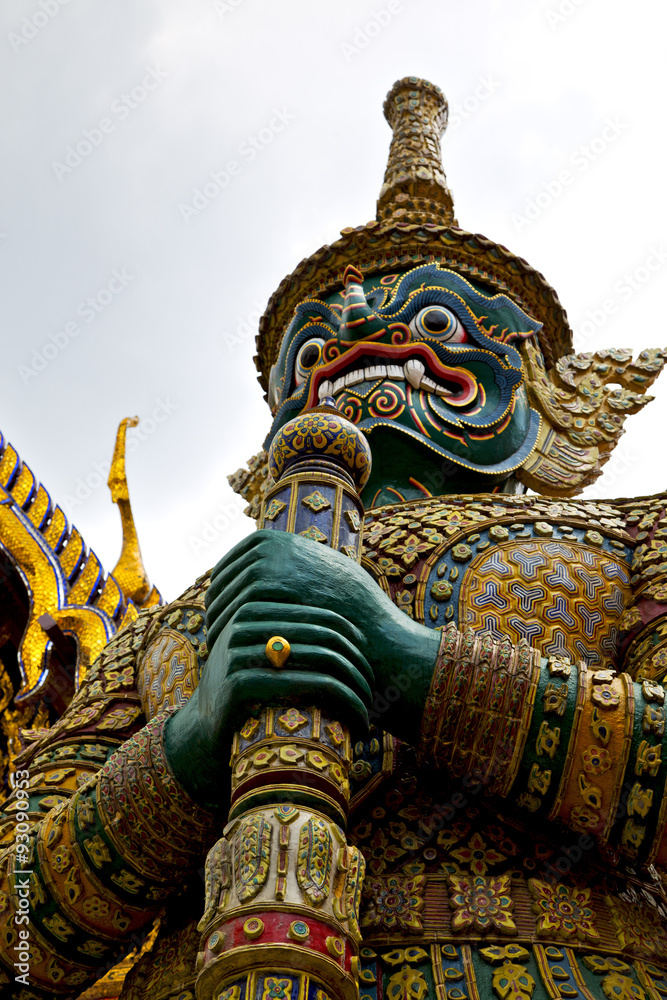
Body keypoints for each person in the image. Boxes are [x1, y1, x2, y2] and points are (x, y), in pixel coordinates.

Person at [3, 76, 667, 1000]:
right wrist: (187, 745)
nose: (356, 328)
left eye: (434, 320)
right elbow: (17, 940)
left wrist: (424, 670)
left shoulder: (633, 541)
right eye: (313, 347)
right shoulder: (174, 626)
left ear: (535, 378)